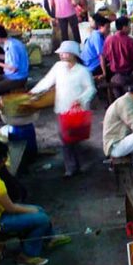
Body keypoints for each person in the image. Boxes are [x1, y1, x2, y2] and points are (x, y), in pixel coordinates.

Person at [0, 137, 70, 265]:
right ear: (4, 160)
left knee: (39, 210)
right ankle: (27, 256)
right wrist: (30, 210)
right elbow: (11, 208)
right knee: (42, 218)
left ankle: (49, 239)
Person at [30, 41, 96, 177]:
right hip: (62, 109)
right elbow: (47, 81)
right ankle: (71, 168)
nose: (62, 55)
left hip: (78, 111)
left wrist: (81, 99)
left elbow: (91, 89)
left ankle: (78, 165)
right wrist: (33, 92)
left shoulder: (83, 71)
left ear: (73, 55)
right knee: (65, 138)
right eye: (61, 53)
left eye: (65, 53)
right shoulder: (58, 67)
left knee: (75, 139)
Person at [103, 16, 133, 99]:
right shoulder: (130, 41)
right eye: (129, 26)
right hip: (130, 74)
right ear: (124, 27)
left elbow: (106, 56)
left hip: (116, 73)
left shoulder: (108, 40)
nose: (130, 28)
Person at [0, 26, 30, 96]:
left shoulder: (12, 46)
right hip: (12, 75)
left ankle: (5, 97)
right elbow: (8, 58)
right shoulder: (11, 42)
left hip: (18, 78)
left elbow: (14, 68)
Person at [81, 14, 111, 78]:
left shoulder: (96, 33)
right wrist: (104, 73)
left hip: (89, 62)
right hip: (92, 66)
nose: (109, 29)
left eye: (109, 27)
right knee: (113, 64)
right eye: (107, 27)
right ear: (100, 27)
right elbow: (101, 56)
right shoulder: (97, 37)